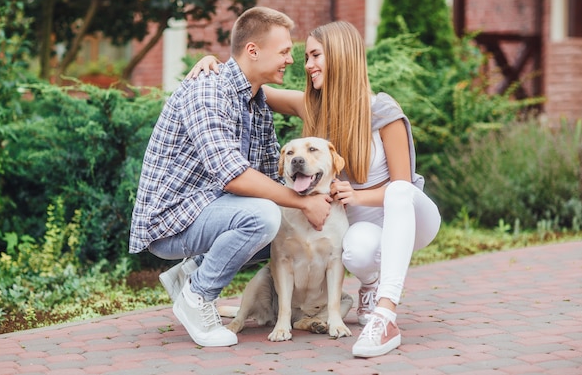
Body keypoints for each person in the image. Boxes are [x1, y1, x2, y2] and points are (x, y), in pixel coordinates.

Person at [188, 20, 441, 357]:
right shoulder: (314, 108)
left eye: (315, 56)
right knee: (353, 250)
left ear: (340, 56)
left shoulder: (383, 110)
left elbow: (404, 185)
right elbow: (252, 83)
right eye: (306, 57)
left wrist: (357, 195)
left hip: (410, 216)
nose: (307, 66)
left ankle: (385, 314)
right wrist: (215, 66)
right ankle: (369, 285)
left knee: (397, 193)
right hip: (364, 225)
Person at [129, 7, 333, 348]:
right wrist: (304, 202)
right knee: (265, 216)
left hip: (209, 209)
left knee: (284, 225)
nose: (291, 60)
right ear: (252, 50)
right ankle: (196, 297)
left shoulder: (256, 101)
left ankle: (191, 272)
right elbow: (232, 176)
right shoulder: (208, 91)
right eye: (284, 51)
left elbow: (269, 176)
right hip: (172, 221)